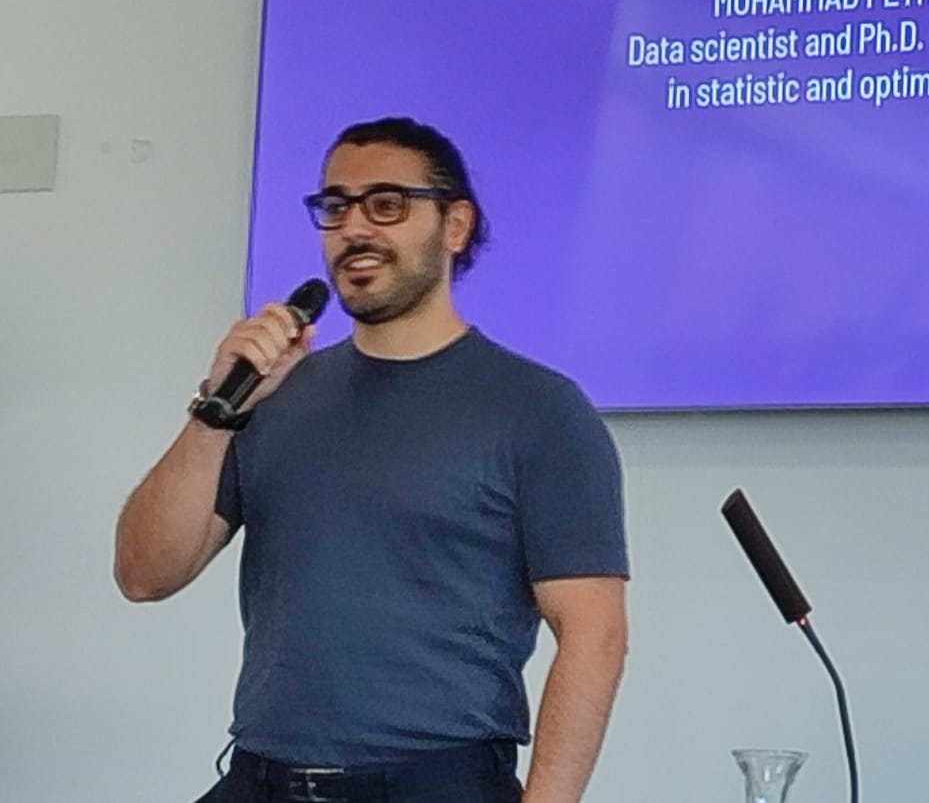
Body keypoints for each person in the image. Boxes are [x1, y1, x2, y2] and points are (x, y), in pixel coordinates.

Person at [115, 117, 629, 803]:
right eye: (335, 207)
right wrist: (217, 410)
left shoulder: (539, 410)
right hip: (258, 778)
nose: (354, 227)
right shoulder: (271, 397)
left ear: (455, 225)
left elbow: (594, 633)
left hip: (435, 785)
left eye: (387, 204)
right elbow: (143, 575)